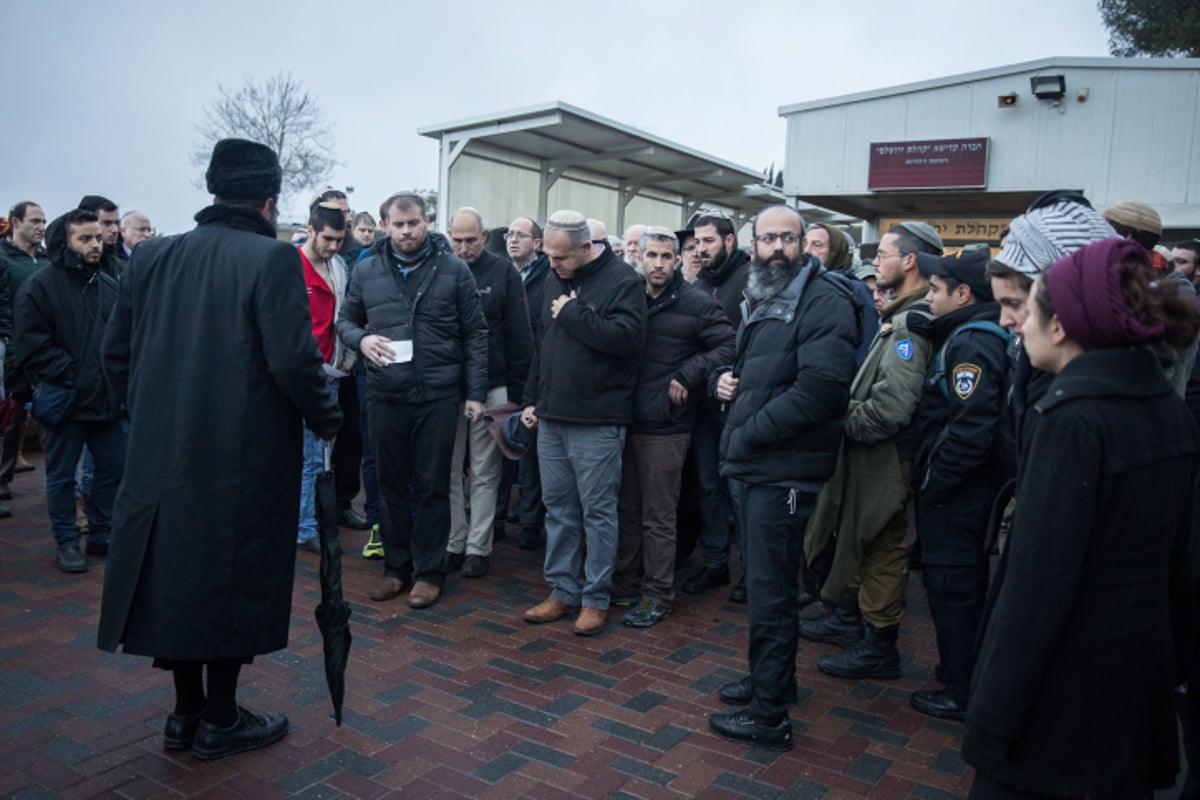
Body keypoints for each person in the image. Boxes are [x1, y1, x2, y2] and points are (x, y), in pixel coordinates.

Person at [97, 138, 342, 760]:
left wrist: (150, 412)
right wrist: (328, 414)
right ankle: (222, 716)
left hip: (161, 449)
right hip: (244, 454)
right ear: (269, 200)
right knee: (232, 574)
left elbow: (114, 355)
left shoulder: (151, 256)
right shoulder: (272, 260)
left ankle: (185, 713)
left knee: (176, 571)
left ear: (211, 192)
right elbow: (294, 361)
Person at [963, 237, 1200, 799]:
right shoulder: (1167, 407)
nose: (1015, 325)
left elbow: (1035, 586)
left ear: (1063, 326)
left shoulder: (1073, 420)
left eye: (1028, 309)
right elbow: (1183, 567)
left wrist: (991, 721)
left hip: (1060, 701)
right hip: (1134, 691)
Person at [707, 206, 859, 750]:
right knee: (765, 587)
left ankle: (769, 716)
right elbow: (766, 373)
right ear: (753, 244)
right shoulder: (769, 293)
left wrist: (748, 434)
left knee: (772, 593)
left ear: (805, 245)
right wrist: (729, 385)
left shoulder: (824, 300)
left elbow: (821, 390)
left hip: (782, 467)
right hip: (759, 465)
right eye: (767, 237)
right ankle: (774, 682)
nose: (777, 247)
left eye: (787, 238)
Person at [338, 192, 488, 610]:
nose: (407, 231)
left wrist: (475, 393)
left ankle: (429, 572)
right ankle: (396, 568)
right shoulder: (367, 270)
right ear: (385, 225)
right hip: (386, 394)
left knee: (433, 486)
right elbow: (345, 321)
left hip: (438, 395)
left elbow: (476, 333)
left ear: (426, 223)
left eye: (414, 223)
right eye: (399, 224)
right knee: (390, 486)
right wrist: (362, 339)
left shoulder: (453, 269)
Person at [802, 223, 937, 681]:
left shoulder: (909, 326)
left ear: (911, 261)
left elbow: (894, 408)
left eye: (883, 254)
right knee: (859, 537)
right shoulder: (900, 316)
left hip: (883, 456)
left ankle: (879, 646)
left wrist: (845, 420)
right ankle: (851, 622)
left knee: (881, 547)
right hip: (871, 457)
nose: (876, 263)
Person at [520, 210, 646, 637]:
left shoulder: (624, 281)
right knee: (559, 510)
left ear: (586, 248)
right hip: (553, 415)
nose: (551, 265)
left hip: (597, 419)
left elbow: (628, 342)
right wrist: (532, 398)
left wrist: (574, 314)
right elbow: (544, 343)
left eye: (559, 258)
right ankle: (562, 590)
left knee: (598, 512)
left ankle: (595, 598)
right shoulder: (556, 276)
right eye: (549, 256)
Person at [612, 228, 735, 627]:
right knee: (627, 510)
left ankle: (658, 593)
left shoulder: (698, 303)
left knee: (658, 515)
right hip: (624, 419)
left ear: (678, 260)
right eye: (652, 256)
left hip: (666, 425)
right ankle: (627, 584)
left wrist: (691, 372)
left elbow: (730, 345)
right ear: (641, 258)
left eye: (667, 256)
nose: (659, 263)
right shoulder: (629, 296)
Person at [908, 249, 1010, 720]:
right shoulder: (965, 335)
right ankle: (958, 673)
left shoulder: (973, 343)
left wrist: (935, 485)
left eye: (935, 290)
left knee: (955, 591)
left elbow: (971, 431)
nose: (928, 297)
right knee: (954, 589)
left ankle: (962, 687)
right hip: (960, 493)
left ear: (963, 294)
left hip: (959, 497)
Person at [15, 209, 125, 573]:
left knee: (113, 468)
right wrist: (74, 374)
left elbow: (124, 338)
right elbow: (32, 346)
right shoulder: (40, 286)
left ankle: (100, 531)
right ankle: (66, 540)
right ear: (65, 242)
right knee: (62, 476)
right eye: (85, 238)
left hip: (107, 402)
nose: (96, 244)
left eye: (97, 237)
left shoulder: (110, 284)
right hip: (66, 401)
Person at [442, 208, 532, 579]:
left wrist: (519, 391)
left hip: (493, 385)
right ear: (448, 236)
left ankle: (478, 547)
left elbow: (520, 335)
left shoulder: (503, 272)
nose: (463, 248)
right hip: (448, 384)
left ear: (484, 235)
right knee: (447, 470)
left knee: (484, 469)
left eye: (471, 240)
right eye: (457, 240)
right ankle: (453, 541)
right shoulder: (441, 268)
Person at [685, 209, 752, 601]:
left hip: (739, 404)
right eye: (696, 242)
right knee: (709, 485)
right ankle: (715, 563)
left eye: (708, 241)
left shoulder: (751, 281)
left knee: (739, 490)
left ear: (729, 240)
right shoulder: (697, 285)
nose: (700, 249)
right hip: (703, 404)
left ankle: (750, 570)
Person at [295, 202, 356, 554]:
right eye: (328, 239)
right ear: (311, 230)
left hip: (330, 371)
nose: (334, 246)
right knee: (310, 454)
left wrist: (344, 361)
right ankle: (305, 525)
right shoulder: (291, 264)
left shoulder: (339, 267)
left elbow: (342, 316)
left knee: (319, 453)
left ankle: (308, 522)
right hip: (297, 372)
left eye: (339, 240)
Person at [507, 216, 551, 551]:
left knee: (534, 457)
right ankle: (508, 514)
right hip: (508, 372)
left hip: (536, 374)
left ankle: (530, 521)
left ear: (537, 243)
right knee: (506, 446)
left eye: (521, 235)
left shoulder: (548, 276)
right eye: (509, 234)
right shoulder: (503, 273)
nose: (513, 240)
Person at [0, 201, 49, 506]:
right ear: (15, 223)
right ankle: (2, 479)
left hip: (44, 352)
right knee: (10, 419)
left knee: (50, 416)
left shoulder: (48, 260)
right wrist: (10, 348)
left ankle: (58, 482)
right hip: (14, 351)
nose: (41, 227)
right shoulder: (3, 259)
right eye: (35, 221)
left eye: (44, 221)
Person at [803, 223, 880, 366]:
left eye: (817, 245)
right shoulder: (798, 286)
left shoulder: (854, 289)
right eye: (804, 243)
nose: (807, 251)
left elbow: (867, 344)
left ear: (835, 251)